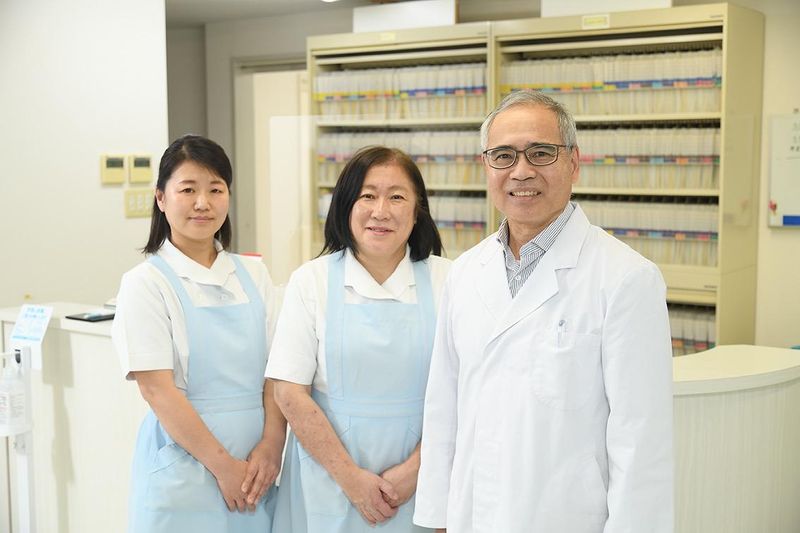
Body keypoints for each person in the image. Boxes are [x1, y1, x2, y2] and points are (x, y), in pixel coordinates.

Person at [413, 90, 674, 533]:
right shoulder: (465, 272)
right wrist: (438, 516)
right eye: (503, 156)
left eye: (540, 153)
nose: (521, 171)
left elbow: (641, 442)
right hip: (474, 515)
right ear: (486, 166)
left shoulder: (627, 278)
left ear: (574, 162)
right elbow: (444, 408)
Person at [266, 146, 452, 533]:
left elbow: (466, 389)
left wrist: (417, 469)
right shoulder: (312, 281)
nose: (381, 211)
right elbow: (288, 392)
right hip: (328, 481)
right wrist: (351, 479)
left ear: (418, 210)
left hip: (421, 482)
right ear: (346, 205)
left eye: (397, 197)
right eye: (368, 196)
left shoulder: (449, 280)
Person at [111, 135, 286, 533]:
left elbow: (277, 373)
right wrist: (224, 468)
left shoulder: (254, 274)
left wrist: (272, 446)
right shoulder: (146, 283)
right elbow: (157, 390)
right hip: (186, 465)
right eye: (188, 190)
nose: (203, 203)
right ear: (161, 198)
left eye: (215, 189)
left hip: (257, 468)